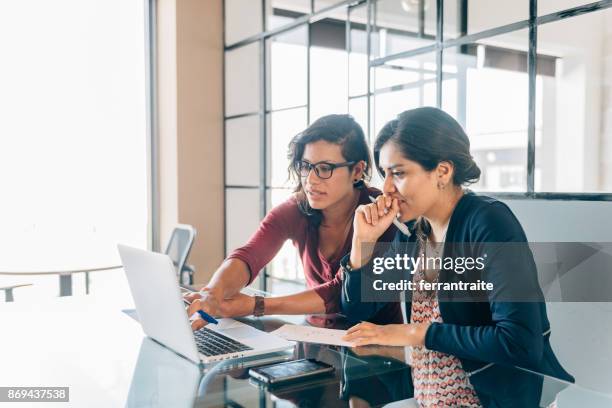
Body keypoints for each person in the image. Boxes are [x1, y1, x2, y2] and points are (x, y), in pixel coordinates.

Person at [339, 107, 574, 407]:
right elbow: (357, 310)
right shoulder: (414, 231)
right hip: (427, 399)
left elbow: (520, 342)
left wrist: (416, 332)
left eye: (398, 173)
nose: (385, 188)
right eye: (385, 173)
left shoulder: (489, 223)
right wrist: (362, 243)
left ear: (442, 172)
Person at [186, 114, 401, 330]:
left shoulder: (382, 215)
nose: (311, 180)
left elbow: (340, 293)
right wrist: (212, 293)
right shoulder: (298, 208)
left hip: (376, 352)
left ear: (356, 171)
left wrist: (256, 305)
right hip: (315, 338)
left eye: (325, 168)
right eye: (306, 166)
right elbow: (249, 255)